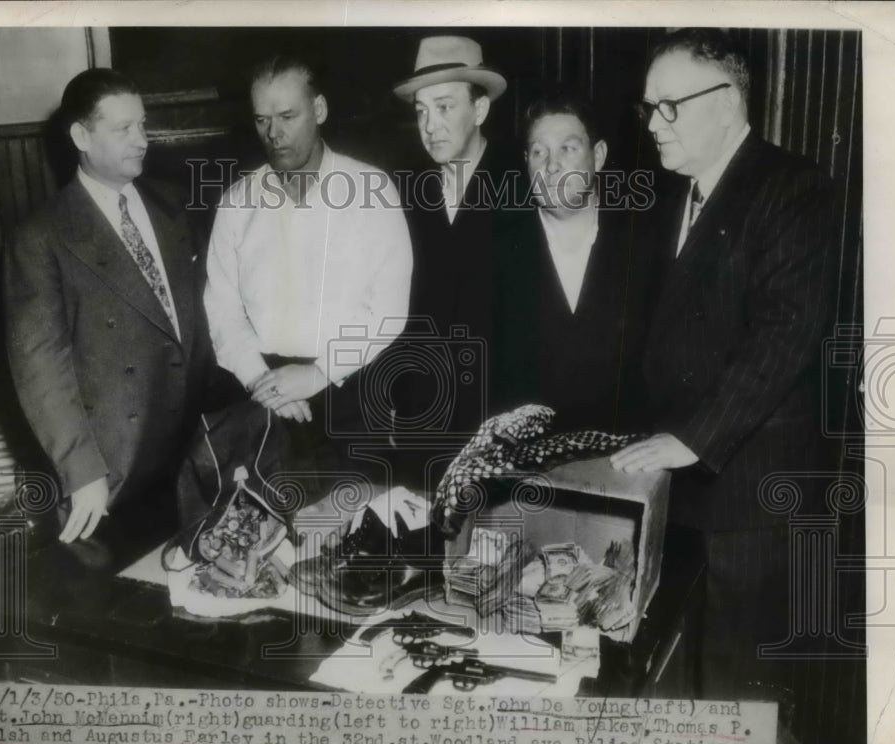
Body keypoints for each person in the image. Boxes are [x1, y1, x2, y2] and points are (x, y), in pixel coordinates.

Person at [610, 29, 839, 704]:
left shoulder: (795, 188)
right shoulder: (672, 196)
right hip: (681, 494)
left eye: (670, 106)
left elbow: (786, 336)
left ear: (730, 102)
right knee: (678, 679)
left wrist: (688, 439)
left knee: (737, 695)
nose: (654, 123)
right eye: (648, 107)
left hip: (752, 500)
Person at [4, 68, 215, 546]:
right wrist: (81, 472)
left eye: (142, 125)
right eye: (122, 129)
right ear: (81, 135)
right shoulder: (41, 236)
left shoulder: (174, 205)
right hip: (109, 473)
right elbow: (40, 366)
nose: (141, 140)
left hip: (193, 455)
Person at [202, 54, 412, 500]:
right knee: (267, 551)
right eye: (261, 120)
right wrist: (264, 383)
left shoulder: (373, 191)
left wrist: (318, 372)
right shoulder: (237, 203)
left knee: (354, 546)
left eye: (287, 116)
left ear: (318, 110)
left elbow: (389, 312)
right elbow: (221, 311)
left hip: (351, 395)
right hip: (263, 397)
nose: (273, 134)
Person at [494, 88, 656, 432]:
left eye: (568, 148)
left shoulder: (647, 242)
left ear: (597, 156)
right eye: (539, 152)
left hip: (626, 463)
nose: (552, 166)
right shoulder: (494, 250)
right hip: (520, 469)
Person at [390, 35, 518, 439]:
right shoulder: (407, 194)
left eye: (444, 107)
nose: (430, 126)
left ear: (479, 109)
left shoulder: (524, 186)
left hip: (499, 428)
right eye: (421, 111)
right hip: (421, 423)